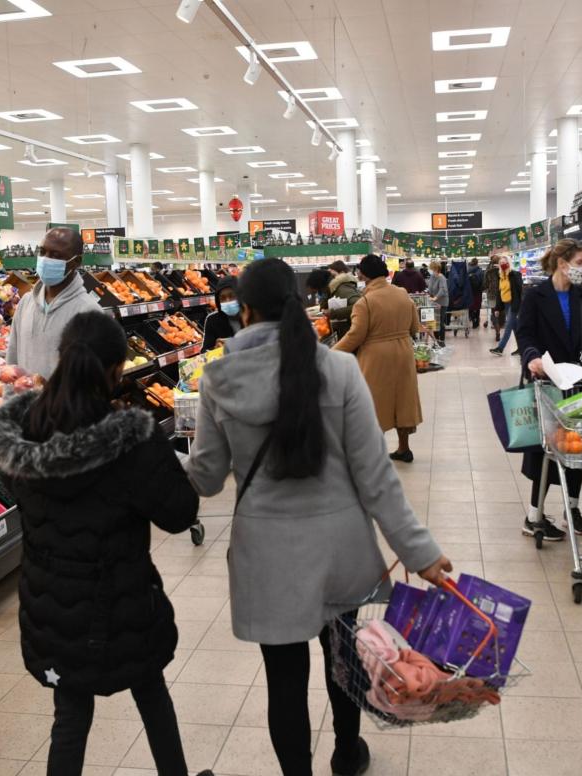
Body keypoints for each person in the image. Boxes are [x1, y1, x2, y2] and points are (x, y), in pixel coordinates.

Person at [185, 258, 451, 776]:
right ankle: (347, 754)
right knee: (342, 657)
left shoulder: (217, 379)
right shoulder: (338, 368)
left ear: (246, 311)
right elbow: (376, 477)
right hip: (340, 549)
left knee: (283, 680)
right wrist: (421, 553)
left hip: (266, 554)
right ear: (298, 303)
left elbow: (208, 478)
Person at [0, 312, 213, 776]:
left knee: (70, 716)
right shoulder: (132, 438)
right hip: (122, 602)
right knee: (152, 695)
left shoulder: (20, 435)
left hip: (53, 606)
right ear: (114, 371)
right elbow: (179, 514)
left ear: (63, 359)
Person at [515, 238, 582, 539]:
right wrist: (532, 357)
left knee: (578, 446)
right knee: (546, 449)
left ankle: (572, 510)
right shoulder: (536, 296)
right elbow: (525, 333)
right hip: (550, 381)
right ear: (562, 264)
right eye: (579, 263)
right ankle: (534, 514)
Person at [333, 254, 423, 463]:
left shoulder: (365, 302)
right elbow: (414, 327)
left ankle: (376, 451)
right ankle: (404, 448)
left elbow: (355, 336)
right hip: (403, 352)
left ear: (363, 274)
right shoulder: (402, 294)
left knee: (376, 401)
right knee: (403, 400)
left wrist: (330, 354)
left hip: (376, 356)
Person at [6, 227, 103, 379]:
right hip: (24, 402)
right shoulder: (26, 303)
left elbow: (91, 378)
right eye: (43, 252)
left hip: (64, 403)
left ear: (76, 262)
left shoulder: (89, 312)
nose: (46, 259)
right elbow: (12, 361)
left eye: (56, 255)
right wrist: (10, 400)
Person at [489, 257, 524, 356]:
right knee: (515, 327)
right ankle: (521, 348)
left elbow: (519, 291)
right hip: (506, 304)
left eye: (505, 263)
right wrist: (497, 308)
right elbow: (500, 293)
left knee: (508, 326)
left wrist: (518, 305)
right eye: (501, 263)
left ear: (509, 263)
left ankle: (500, 348)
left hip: (514, 304)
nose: (503, 264)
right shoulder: (501, 276)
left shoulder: (515, 275)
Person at [202, 276, 244, 351]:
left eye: (232, 296)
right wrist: (215, 349)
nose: (228, 301)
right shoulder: (213, 321)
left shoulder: (253, 316)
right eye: (223, 298)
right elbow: (205, 351)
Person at [324, 260, 363, 338]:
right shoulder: (345, 285)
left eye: (332, 273)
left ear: (341, 272)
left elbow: (359, 305)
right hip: (350, 330)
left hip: (350, 332)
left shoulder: (343, 287)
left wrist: (333, 313)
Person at [426, 261, 449, 344]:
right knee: (434, 322)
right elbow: (430, 287)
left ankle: (442, 341)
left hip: (442, 302)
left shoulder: (441, 277)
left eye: (431, 268)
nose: (430, 270)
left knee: (440, 322)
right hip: (434, 302)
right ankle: (436, 340)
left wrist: (435, 297)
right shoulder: (432, 277)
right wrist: (428, 293)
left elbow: (443, 290)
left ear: (436, 269)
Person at [483, 257, 503, 336]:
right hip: (501, 294)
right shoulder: (502, 270)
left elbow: (485, 284)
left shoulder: (488, 271)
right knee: (501, 312)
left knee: (493, 312)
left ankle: (497, 330)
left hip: (491, 294)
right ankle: (500, 326)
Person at [467, 258, 484, 329]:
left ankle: (471, 317)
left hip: (469, 291)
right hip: (477, 292)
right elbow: (482, 281)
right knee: (477, 306)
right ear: (477, 263)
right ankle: (476, 322)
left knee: (470, 305)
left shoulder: (467, 270)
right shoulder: (480, 271)